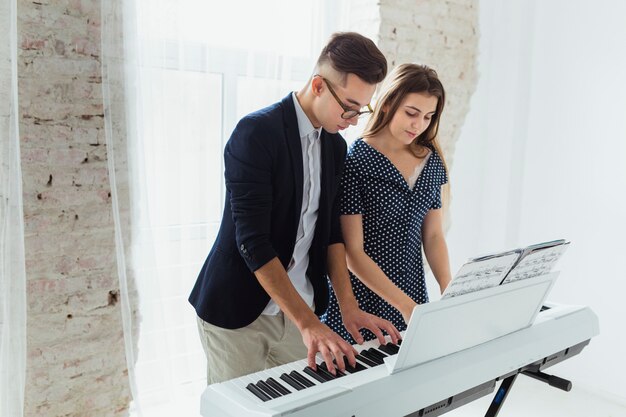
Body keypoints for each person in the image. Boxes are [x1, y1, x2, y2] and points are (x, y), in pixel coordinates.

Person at [189, 32, 401, 385]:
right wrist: (309, 325)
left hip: (300, 308)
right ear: (318, 85)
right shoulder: (256, 133)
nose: (352, 120)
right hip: (237, 312)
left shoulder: (334, 148)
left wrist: (348, 307)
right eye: (348, 106)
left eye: (360, 110)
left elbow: (332, 234)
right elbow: (253, 242)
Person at [322, 63, 453, 343]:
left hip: (413, 296)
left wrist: (448, 287)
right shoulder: (357, 160)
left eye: (428, 117)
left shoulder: (431, 161)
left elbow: (432, 236)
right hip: (363, 301)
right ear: (387, 104)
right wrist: (405, 306)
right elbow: (352, 252)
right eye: (411, 113)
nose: (418, 125)